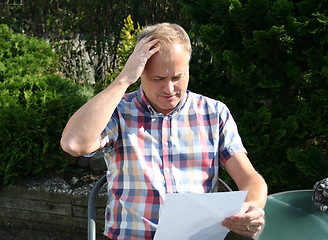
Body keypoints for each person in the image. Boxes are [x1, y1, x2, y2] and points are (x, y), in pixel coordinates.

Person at [60, 23, 267, 240]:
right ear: (140, 73)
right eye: (158, 79)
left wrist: (252, 207)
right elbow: (74, 144)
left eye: (177, 77)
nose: (169, 89)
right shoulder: (119, 111)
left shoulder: (213, 113)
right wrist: (123, 79)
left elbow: (250, 177)